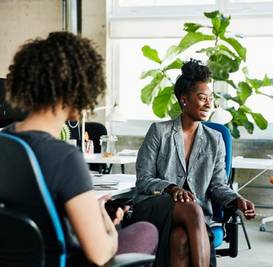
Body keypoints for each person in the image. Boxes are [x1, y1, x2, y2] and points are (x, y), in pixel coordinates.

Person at [2, 31, 158, 266]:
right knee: (146, 230)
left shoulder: (5, 141)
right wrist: (108, 224)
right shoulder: (65, 157)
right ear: (76, 88)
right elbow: (99, 255)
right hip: (64, 260)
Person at [123, 59, 256, 267]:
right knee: (193, 209)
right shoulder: (159, 132)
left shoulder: (215, 139)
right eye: (202, 98)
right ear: (184, 100)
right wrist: (171, 188)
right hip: (155, 207)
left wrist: (236, 199)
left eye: (211, 98)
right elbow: (143, 180)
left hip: (192, 221)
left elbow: (218, 185)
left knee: (181, 240)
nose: (209, 104)